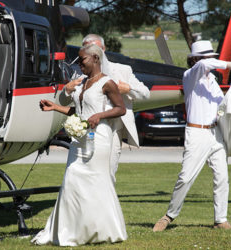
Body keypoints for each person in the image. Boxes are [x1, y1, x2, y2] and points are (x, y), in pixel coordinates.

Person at [31, 44, 127, 246]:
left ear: (95, 58)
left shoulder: (107, 83)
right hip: (79, 139)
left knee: (96, 182)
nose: (79, 63)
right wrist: (55, 107)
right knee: (72, 180)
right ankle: (73, 230)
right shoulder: (82, 82)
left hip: (98, 138)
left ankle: (103, 230)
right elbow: (79, 112)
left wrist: (100, 115)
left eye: (82, 59)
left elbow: (121, 109)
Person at [152, 40, 231, 232]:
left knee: (222, 177)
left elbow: (221, 103)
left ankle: (221, 220)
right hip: (197, 132)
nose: (210, 61)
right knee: (186, 177)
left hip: (215, 133)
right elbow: (203, 65)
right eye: (207, 57)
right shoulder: (190, 75)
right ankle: (169, 216)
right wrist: (227, 64)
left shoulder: (213, 82)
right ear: (196, 59)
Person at [61, 34, 150, 184]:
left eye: (95, 48)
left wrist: (128, 88)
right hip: (84, 131)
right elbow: (69, 101)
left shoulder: (122, 70)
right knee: (79, 173)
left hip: (112, 130)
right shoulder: (79, 74)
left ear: (103, 49)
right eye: (87, 48)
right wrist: (67, 90)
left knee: (107, 173)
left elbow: (145, 93)